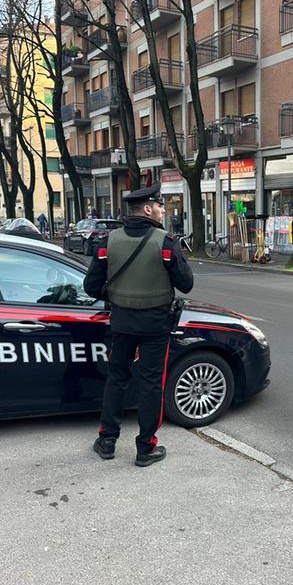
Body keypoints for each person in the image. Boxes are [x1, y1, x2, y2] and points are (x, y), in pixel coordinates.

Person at [84, 184, 194, 467]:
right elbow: (186, 284)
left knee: (116, 379)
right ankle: (146, 448)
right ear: (147, 209)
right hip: (155, 326)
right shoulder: (166, 242)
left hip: (121, 323)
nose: (162, 211)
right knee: (151, 384)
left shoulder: (109, 241)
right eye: (159, 206)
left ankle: (107, 441)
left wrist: (117, 296)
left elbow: (91, 286)